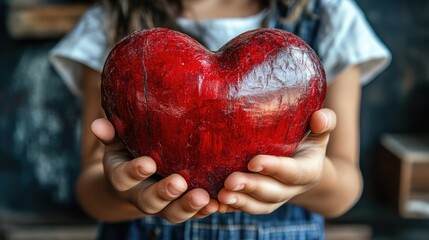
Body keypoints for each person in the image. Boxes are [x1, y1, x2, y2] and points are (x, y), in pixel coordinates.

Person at [50, 0, 391, 239]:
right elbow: (92, 189)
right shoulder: (109, 21)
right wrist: (128, 193)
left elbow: (344, 188)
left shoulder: (329, 17)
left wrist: (308, 178)